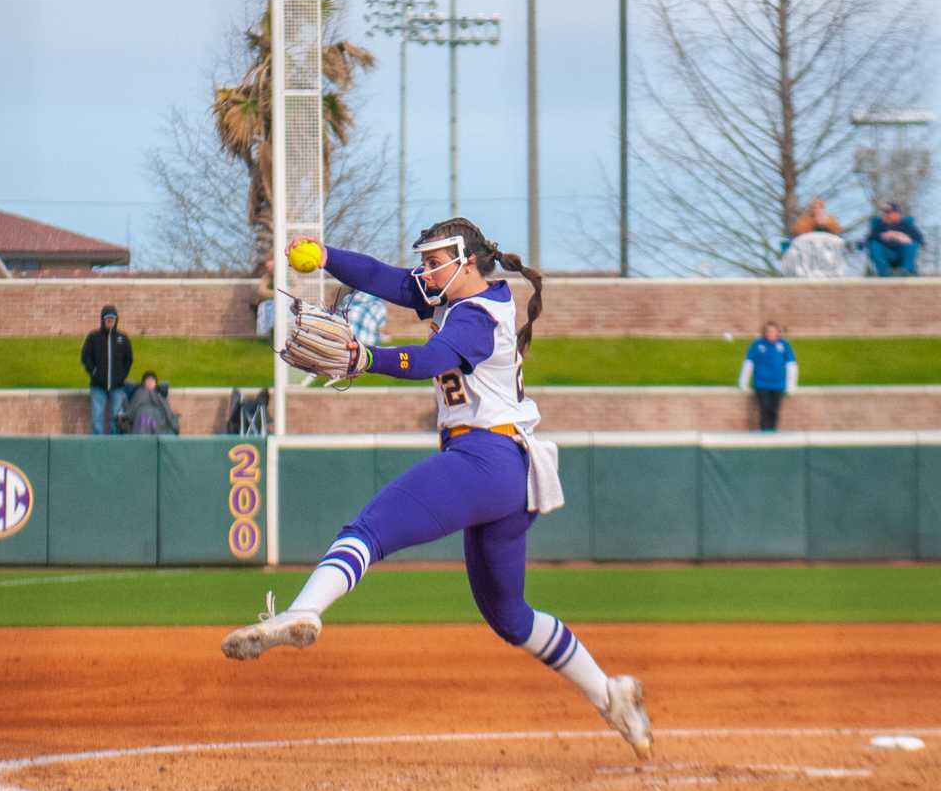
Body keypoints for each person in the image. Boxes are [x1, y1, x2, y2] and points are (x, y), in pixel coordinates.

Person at [220, 216, 653, 761]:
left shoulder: (477, 315)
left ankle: (303, 611)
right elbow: (388, 279)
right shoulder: (457, 301)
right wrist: (327, 255)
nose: (423, 272)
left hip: (485, 458)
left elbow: (431, 359)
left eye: (433, 262)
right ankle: (611, 695)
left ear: (466, 263)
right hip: (507, 475)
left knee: (368, 530)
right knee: (509, 615)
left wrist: (363, 358)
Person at [82, 304, 135, 436]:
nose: (110, 321)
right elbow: (85, 357)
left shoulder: (123, 338)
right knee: (97, 418)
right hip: (98, 386)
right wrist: (94, 372)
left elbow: (128, 360)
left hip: (117, 387)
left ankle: (114, 444)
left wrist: (122, 376)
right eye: (107, 319)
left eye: (112, 319)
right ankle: (97, 444)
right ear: (103, 320)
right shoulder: (93, 337)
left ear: (116, 320)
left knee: (116, 418)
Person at [737, 321, 798, 431]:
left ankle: (773, 433)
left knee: (774, 411)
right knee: (764, 409)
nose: (771, 333)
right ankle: (764, 435)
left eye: (774, 331)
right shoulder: (757, 345)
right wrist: (743, 382)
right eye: (769, 331)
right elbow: (748, 363)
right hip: (762, 384)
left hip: (778, 385)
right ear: (764, 332)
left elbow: (791, 365)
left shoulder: (784, 345)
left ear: (778, 333)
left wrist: (791, 386)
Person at [863, 202, 924, 277]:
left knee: (912, 244)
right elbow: (869, 238)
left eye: (889, 212)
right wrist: (883, 236)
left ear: (897, 213)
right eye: (885, 212)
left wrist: (902, 236)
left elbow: (919, 238)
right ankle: (884, 272)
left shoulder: (906, 225)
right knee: (874, 245)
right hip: (886, 253)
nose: (886, 215)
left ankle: (906, 271)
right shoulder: (879, 225)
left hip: (902, 253)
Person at [124, 371, 181, 435]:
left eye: (152, 381)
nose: (150, 383)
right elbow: (132, 409)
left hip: (158, 420)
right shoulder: (139, 393)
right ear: (143, 383)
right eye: (148, 380)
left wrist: (172, 416)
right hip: (142, 418)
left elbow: (166, 410)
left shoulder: (159, 395)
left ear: (155, 383)